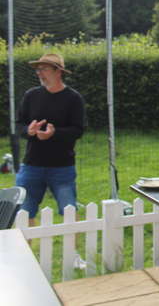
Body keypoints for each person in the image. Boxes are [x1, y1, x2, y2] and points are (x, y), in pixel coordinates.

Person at [15, 53, 86, 225]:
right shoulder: (31, 95)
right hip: (31, 165)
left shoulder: (73, 98)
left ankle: (73, 252)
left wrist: (55, 134)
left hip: (62, 167)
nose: (39, 73)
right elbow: (19, 125)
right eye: (38, 69)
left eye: (44, 69)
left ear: (58, 72)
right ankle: (26, 252)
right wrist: (29, 131)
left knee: (69, 211)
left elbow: (78, 130)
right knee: (24, 212)